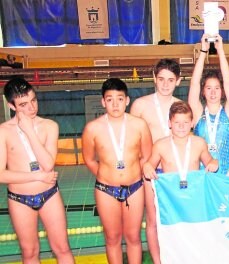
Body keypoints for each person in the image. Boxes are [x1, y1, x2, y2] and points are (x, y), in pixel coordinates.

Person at [0, 77, 73, 263]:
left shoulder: (49, 126)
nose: (31, 108)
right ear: (11, 105)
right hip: (19, 200)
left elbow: (48, 164)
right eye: (23, 104)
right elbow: (1, 174)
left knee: (62, 248)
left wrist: (30, 132)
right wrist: (37, 175)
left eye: (33, 100)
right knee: (30, 252)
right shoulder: (3, 132)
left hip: (49, 195)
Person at [82, 78, 153, 264]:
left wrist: (133, 173)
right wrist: (107, 176)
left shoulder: (139, 125)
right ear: (103, 102)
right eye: (110, 99)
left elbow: (147, 155)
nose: (115, 104)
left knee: (133, 237)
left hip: (135, 188)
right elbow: (89, 159)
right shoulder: (92, 128)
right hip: (106, 190)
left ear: (127, 100)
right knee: (112, 238)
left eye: (120, 99)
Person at [130, 58, 182, 263]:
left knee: (176, 218)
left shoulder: (180, 106)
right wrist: (143, 164)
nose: (166, 84)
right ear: (154, 78)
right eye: (161, 79)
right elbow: (130, 141)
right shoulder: (140, 105)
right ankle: (158, 261)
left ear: (178, 81)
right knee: (152, 220)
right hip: (151, 173)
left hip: (175, 171)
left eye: (170, 80)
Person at [188, 34, 229, 176]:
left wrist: (220, 51)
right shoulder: (198, 113)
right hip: (202, 171)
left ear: (222, 91)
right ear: (203, 92)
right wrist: (203, 52)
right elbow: (194, 83)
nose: (213, 92)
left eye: (217, 88)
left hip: (227, 169)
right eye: (208, 88)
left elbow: (228, 82)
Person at [142, 101, 218, 181]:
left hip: (194, 190)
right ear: (169, 123)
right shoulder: (160, 145)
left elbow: (209, 161)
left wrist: (214, 162)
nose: (181, 126)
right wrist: (147, 167)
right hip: (170, 191)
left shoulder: (200, 143)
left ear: (192, 123)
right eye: (176, 122)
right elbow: (150, 164)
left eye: (185, 122)